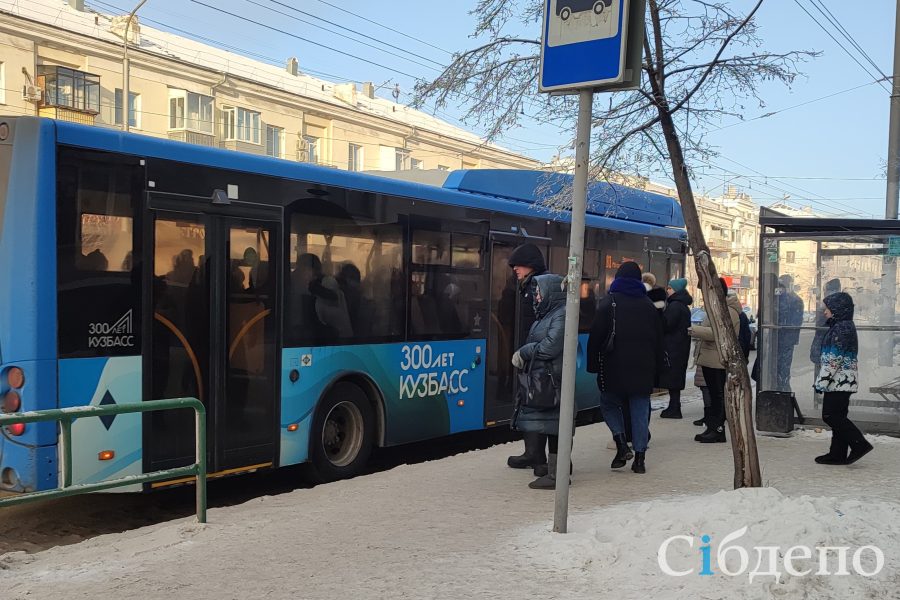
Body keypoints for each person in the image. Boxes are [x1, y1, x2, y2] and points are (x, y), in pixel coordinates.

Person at [587, 261, 662, 474]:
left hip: (614, 367)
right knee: (639, 410)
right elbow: (659, 340)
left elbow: (596, 337)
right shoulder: (648, 306)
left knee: (609, 404)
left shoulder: (609, 302)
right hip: (643, 370)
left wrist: (593, 365)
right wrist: (657, 370)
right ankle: (639, 460)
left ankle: (621, 443)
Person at [511, 273, 567, 489]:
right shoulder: (546, 315)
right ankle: (549, 469)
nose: (535, 296)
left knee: (557, 427)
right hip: (546, 377)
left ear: (551, 293)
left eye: (539, 292)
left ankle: (556, 474)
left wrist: (524, 352)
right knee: (551, 425)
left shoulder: (561, 314)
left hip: (555, 380)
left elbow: (551, 346)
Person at [814, 292, 874, 465]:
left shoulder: (842, 328)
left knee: (831, 415)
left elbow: (834, 359)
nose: (825, 312)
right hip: (841, 380)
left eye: (828, 309)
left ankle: (859, 444)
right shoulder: (842, 326)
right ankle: (837, 453)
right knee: (838, 415)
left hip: (838, 381)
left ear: (838, 309)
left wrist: (821, 382)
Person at [505, 243, 550, 474]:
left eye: (518, 265)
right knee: (528, 402)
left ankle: (539, 457)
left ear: (531, 265)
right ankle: (532, 452)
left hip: (535, 357)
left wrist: (529, 352)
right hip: (528, 354)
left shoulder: (538, 287)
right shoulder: (527, 287)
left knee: (537, 404)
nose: (514, 269)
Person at [689, 277, 742, 443]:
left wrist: (694, 330)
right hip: (711, 358)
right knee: (713, 394)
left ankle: (718, 429)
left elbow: (717, 333)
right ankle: (712, 427)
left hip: (718, 359)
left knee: (718, 395)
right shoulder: (717, 308)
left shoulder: (727, 311)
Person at [659, 278, 693, 419]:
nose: (667, 290)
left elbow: (666, 325)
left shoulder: (675, 306)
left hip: (673, 347)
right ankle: (674, 406)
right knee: (675, 378)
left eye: (670, 288)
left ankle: (674, 408)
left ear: (676, 290)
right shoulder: (682, 305)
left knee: (672, 378)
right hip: (679, 347)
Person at [776, 274, 804, 392]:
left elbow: (794, 322)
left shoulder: (791, 300)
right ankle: (783, 389)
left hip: (784, 339)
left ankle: (783, 391)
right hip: (783, 339)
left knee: (782, 369)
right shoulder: (795, 299)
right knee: (781, 368)